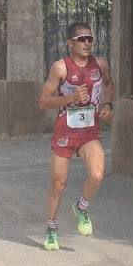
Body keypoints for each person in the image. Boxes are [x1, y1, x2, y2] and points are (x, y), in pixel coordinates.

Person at [38, 22, 114, 251]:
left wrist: (108, 104)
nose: (87, 43)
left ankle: (81, 208)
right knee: (58, 183)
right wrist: (69, 99)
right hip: (65, 131)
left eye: (89, 38)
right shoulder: (60, 68)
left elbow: (109, 85)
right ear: (70, 43)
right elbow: (43, 101)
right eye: (81, 39)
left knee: (98, 175)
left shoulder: (100, 64)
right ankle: (51, 228)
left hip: (89, 131)